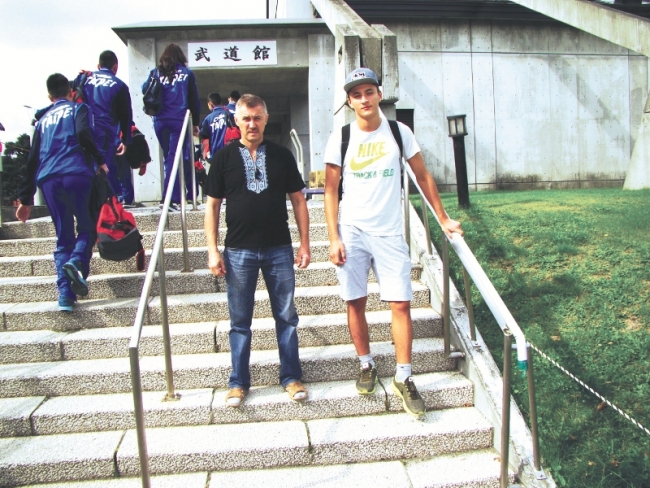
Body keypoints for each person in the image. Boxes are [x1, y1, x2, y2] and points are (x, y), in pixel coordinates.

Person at [323, 68, 463, 417]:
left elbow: (422, 175)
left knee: (400, 304)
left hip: (389, 233)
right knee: (355, 302)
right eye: (357, 95)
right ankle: (366, 364)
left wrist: (443, 218)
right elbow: (330, 190)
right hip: (352, 232)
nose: (364, 99)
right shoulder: (341, 137)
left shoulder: (399, 132)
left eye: (369, 92)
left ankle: (404, 376)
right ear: (350, 101)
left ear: (379, 94)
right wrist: (333, 237)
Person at [205, 93, 311, 408]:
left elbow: (298, 200)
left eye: (257, 118)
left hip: (279, 249)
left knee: (286, 317)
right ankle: (238, 382)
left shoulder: (282, 155)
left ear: (265, 119)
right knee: (239, 322)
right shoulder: (223, 158)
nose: (252, 124)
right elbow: (212, 207)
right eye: (246, 118)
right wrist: (212, 250)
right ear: (236, 121)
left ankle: (291, 377)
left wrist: (305, 243)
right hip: (239, 252)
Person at [16, 73, 108, 312]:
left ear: (50, 96)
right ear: (71, 92)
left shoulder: (42, 120)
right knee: (87, 227)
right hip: (76, 173)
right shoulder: (79, 109)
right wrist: (100, 160)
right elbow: (84, 134)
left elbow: (32, 159)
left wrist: (25, 198)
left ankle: (65, 296)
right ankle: (77, 261)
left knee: (63, 237)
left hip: (48, 179)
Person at [143, 43, 200, 210]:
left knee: (170, 158)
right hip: (178, 120)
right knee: (174, 158)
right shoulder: (187, 73)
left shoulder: (156, 72)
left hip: (160, 121)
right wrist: (195, 122)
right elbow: (193, 100)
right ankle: (170, 198)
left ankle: (173, 196)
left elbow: (145, 89)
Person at [73, 50, 132, 198]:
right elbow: (125, 115)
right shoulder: (120, 85)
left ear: (98, 66)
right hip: (104, 132)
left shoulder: (84, 78)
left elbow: (66, 91)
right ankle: (100, 204)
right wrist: (125, 140)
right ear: (115, 67)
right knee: (101, 169)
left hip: (81, 128)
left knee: (85, 166)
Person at [199, 92, 228, 160]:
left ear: (210, 104)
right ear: (221, 103)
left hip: (215, 154)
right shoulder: (229, 114)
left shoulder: (208, 119)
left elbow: (203, 135)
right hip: (229, 152)